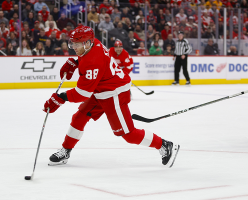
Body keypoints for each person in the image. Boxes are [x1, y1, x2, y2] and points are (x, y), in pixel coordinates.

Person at [44, 25, 180, 167]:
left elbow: (82, 93)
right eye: (73, 44)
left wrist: (60, 98)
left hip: (114, 93)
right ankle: (66, 150)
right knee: (79, 116)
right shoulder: (94, 42)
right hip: (101, 89)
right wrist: (77, 62)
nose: (73, 47)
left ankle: (164, 145)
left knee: (129, 134)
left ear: (87, 43)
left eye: (76, 44)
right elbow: (91, 65)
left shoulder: (92, 62)